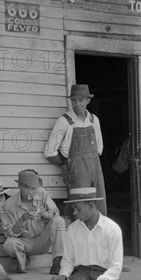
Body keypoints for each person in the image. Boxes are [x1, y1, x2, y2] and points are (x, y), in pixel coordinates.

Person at [44, 84, 107, 215]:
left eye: (81, 100)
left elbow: (99, 149)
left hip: (95, 168)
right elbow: (49, 153)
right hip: (76, 172)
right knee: (80, 208)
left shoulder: (94, 120)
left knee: (98, 206)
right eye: (74, 100)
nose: (77, 104)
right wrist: (68, 165)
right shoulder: (65, 121)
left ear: (88, 101)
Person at [2, 169, 66, 275]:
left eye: (33, 188)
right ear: (19, 186)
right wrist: (21, 220)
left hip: (42, 240)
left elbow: (55, 214)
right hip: (24, 242)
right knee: (9, 244)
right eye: (27, 187)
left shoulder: (42, 193)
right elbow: (8, 234)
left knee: (59, 221)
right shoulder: (9, 204)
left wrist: (44, 215)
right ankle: (23, 259)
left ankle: (58, 262)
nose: (30, 192)